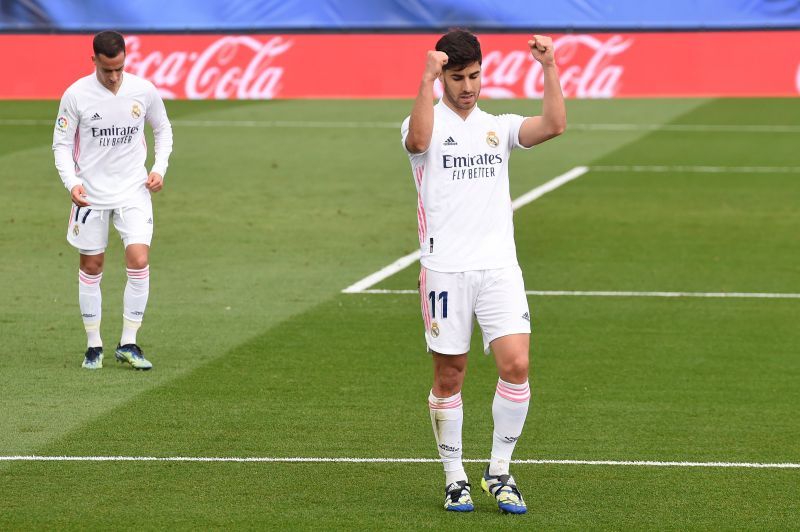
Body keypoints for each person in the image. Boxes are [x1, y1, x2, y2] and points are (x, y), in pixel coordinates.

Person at [400, 29, 565, 514]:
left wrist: (549, 66)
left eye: (474, 75)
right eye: (457, 77)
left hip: (499, 268)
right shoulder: (421, 121)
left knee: (516, 365)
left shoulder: (499, 127)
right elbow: (419, 138)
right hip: (445, 270)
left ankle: (499, 470)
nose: (467, 86)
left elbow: (554, 125)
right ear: (443, 77)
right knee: (450, 375)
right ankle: (455, 478)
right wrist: (426, 80)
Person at [52, 30, 173, 370]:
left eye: (120, 68)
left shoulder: (143, 90)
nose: (115, 76)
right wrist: (71, 182)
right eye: (108, 70)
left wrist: (159, 168)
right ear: (94, 61)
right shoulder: (76, 95)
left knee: (138, 259)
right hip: (89, 194)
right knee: (92, 266)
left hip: (134, 189)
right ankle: (94, 345)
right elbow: (61, 144)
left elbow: (162, 129)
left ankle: (129, 342)